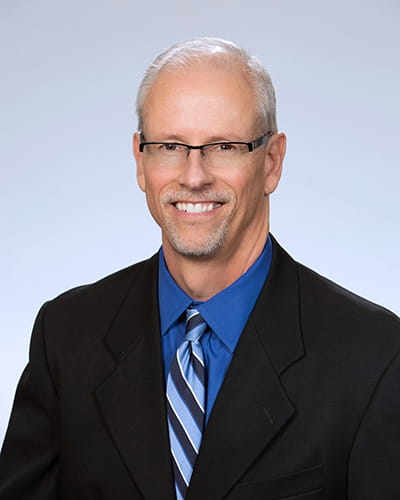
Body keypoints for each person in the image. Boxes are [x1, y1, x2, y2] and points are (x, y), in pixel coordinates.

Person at [0, 37, 399, 500]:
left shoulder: (374, 357)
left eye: (223, 146)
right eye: (170, 145)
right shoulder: (66, 337)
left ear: (272, 162)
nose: (193, 176)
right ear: (140, 160)